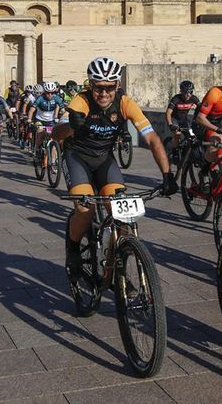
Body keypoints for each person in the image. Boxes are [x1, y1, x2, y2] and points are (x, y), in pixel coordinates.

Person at [53, 57, 178, 280]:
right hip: (77, 158)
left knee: (122, 216)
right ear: (90, 85)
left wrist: (167, 174)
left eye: (109, 87)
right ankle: (73, 249)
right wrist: (71, 126)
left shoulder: (125, 103)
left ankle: (118, 269)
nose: (103, 93)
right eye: (98, 87)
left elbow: (152, 139)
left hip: (104, 159)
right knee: (86, 210)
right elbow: (56, 134)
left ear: (117, 85)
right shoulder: (81, 101)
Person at [27, 81, 66, 165]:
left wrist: (64, 118)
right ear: (45, 92)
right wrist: (29, 119)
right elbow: (32, 109)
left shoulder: (57, 98)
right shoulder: (40, 98)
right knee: (40, 134)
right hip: (39, 120)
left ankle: (53, 161)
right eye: (48, 93)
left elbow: (63, 109)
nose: (50, 95)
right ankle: (35, 150)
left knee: (54, 139)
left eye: (52, 93)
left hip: (51, 121)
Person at [165, 80, 200, 156]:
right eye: (186, 92)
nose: (188, 95)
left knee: (192, 136)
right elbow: (168, 113)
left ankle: (186, 153)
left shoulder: (193, 98)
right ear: (181, 91)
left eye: (191, 92)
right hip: (174, 119)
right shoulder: (176, 99)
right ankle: (175, 151)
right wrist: (170, 124)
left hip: (184, 120)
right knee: (177, 134)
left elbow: (202, 108)